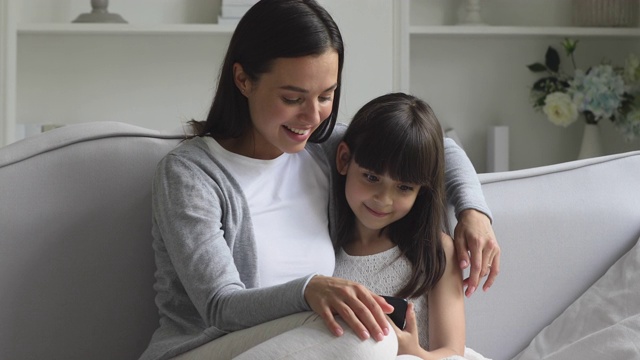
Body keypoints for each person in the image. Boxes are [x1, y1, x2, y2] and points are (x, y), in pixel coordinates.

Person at [139, 1, 499, 359]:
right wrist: (310, 290)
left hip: (306, 346)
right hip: (207, 349)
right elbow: (220, 305)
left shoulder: (323, 151)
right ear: (243, 79)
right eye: (292, 98)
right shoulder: (190, 174)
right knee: (370, 337)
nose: (312, 117)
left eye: (326, 96)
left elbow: (435, 148)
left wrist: (473, 213)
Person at [331, 93, 465, 359]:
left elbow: (452, 353)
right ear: (344, 160)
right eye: (371, 177)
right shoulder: (326, 250)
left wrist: (411, 352)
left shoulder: (435, 251)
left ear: (420, 191)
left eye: (404, 187)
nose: (384, 199)